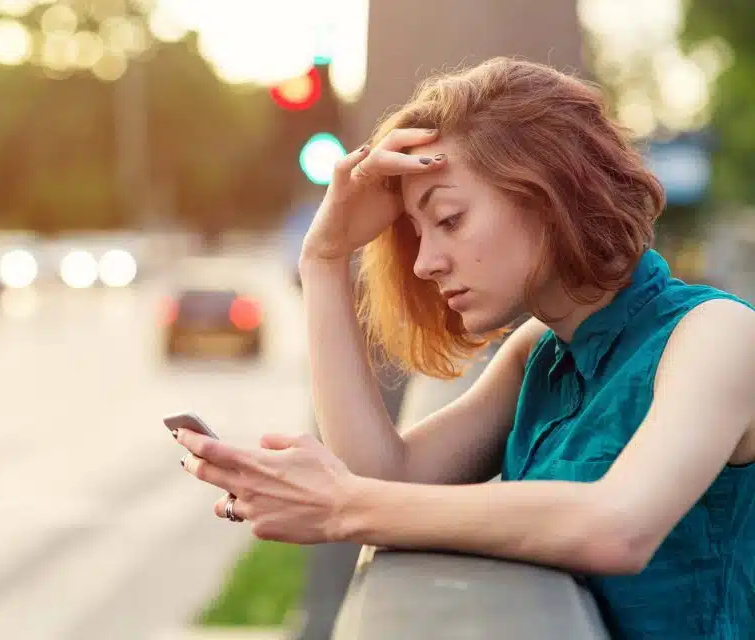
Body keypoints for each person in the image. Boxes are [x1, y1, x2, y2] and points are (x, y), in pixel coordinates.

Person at [173, 57, 755, 639]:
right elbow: (385, 476)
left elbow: (618, 526)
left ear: (547, 192)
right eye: (417, 232)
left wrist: (340, 505)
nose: (425, 263)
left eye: (448, 219)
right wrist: (322, 260)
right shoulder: (542, 353)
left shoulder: (718, 334)